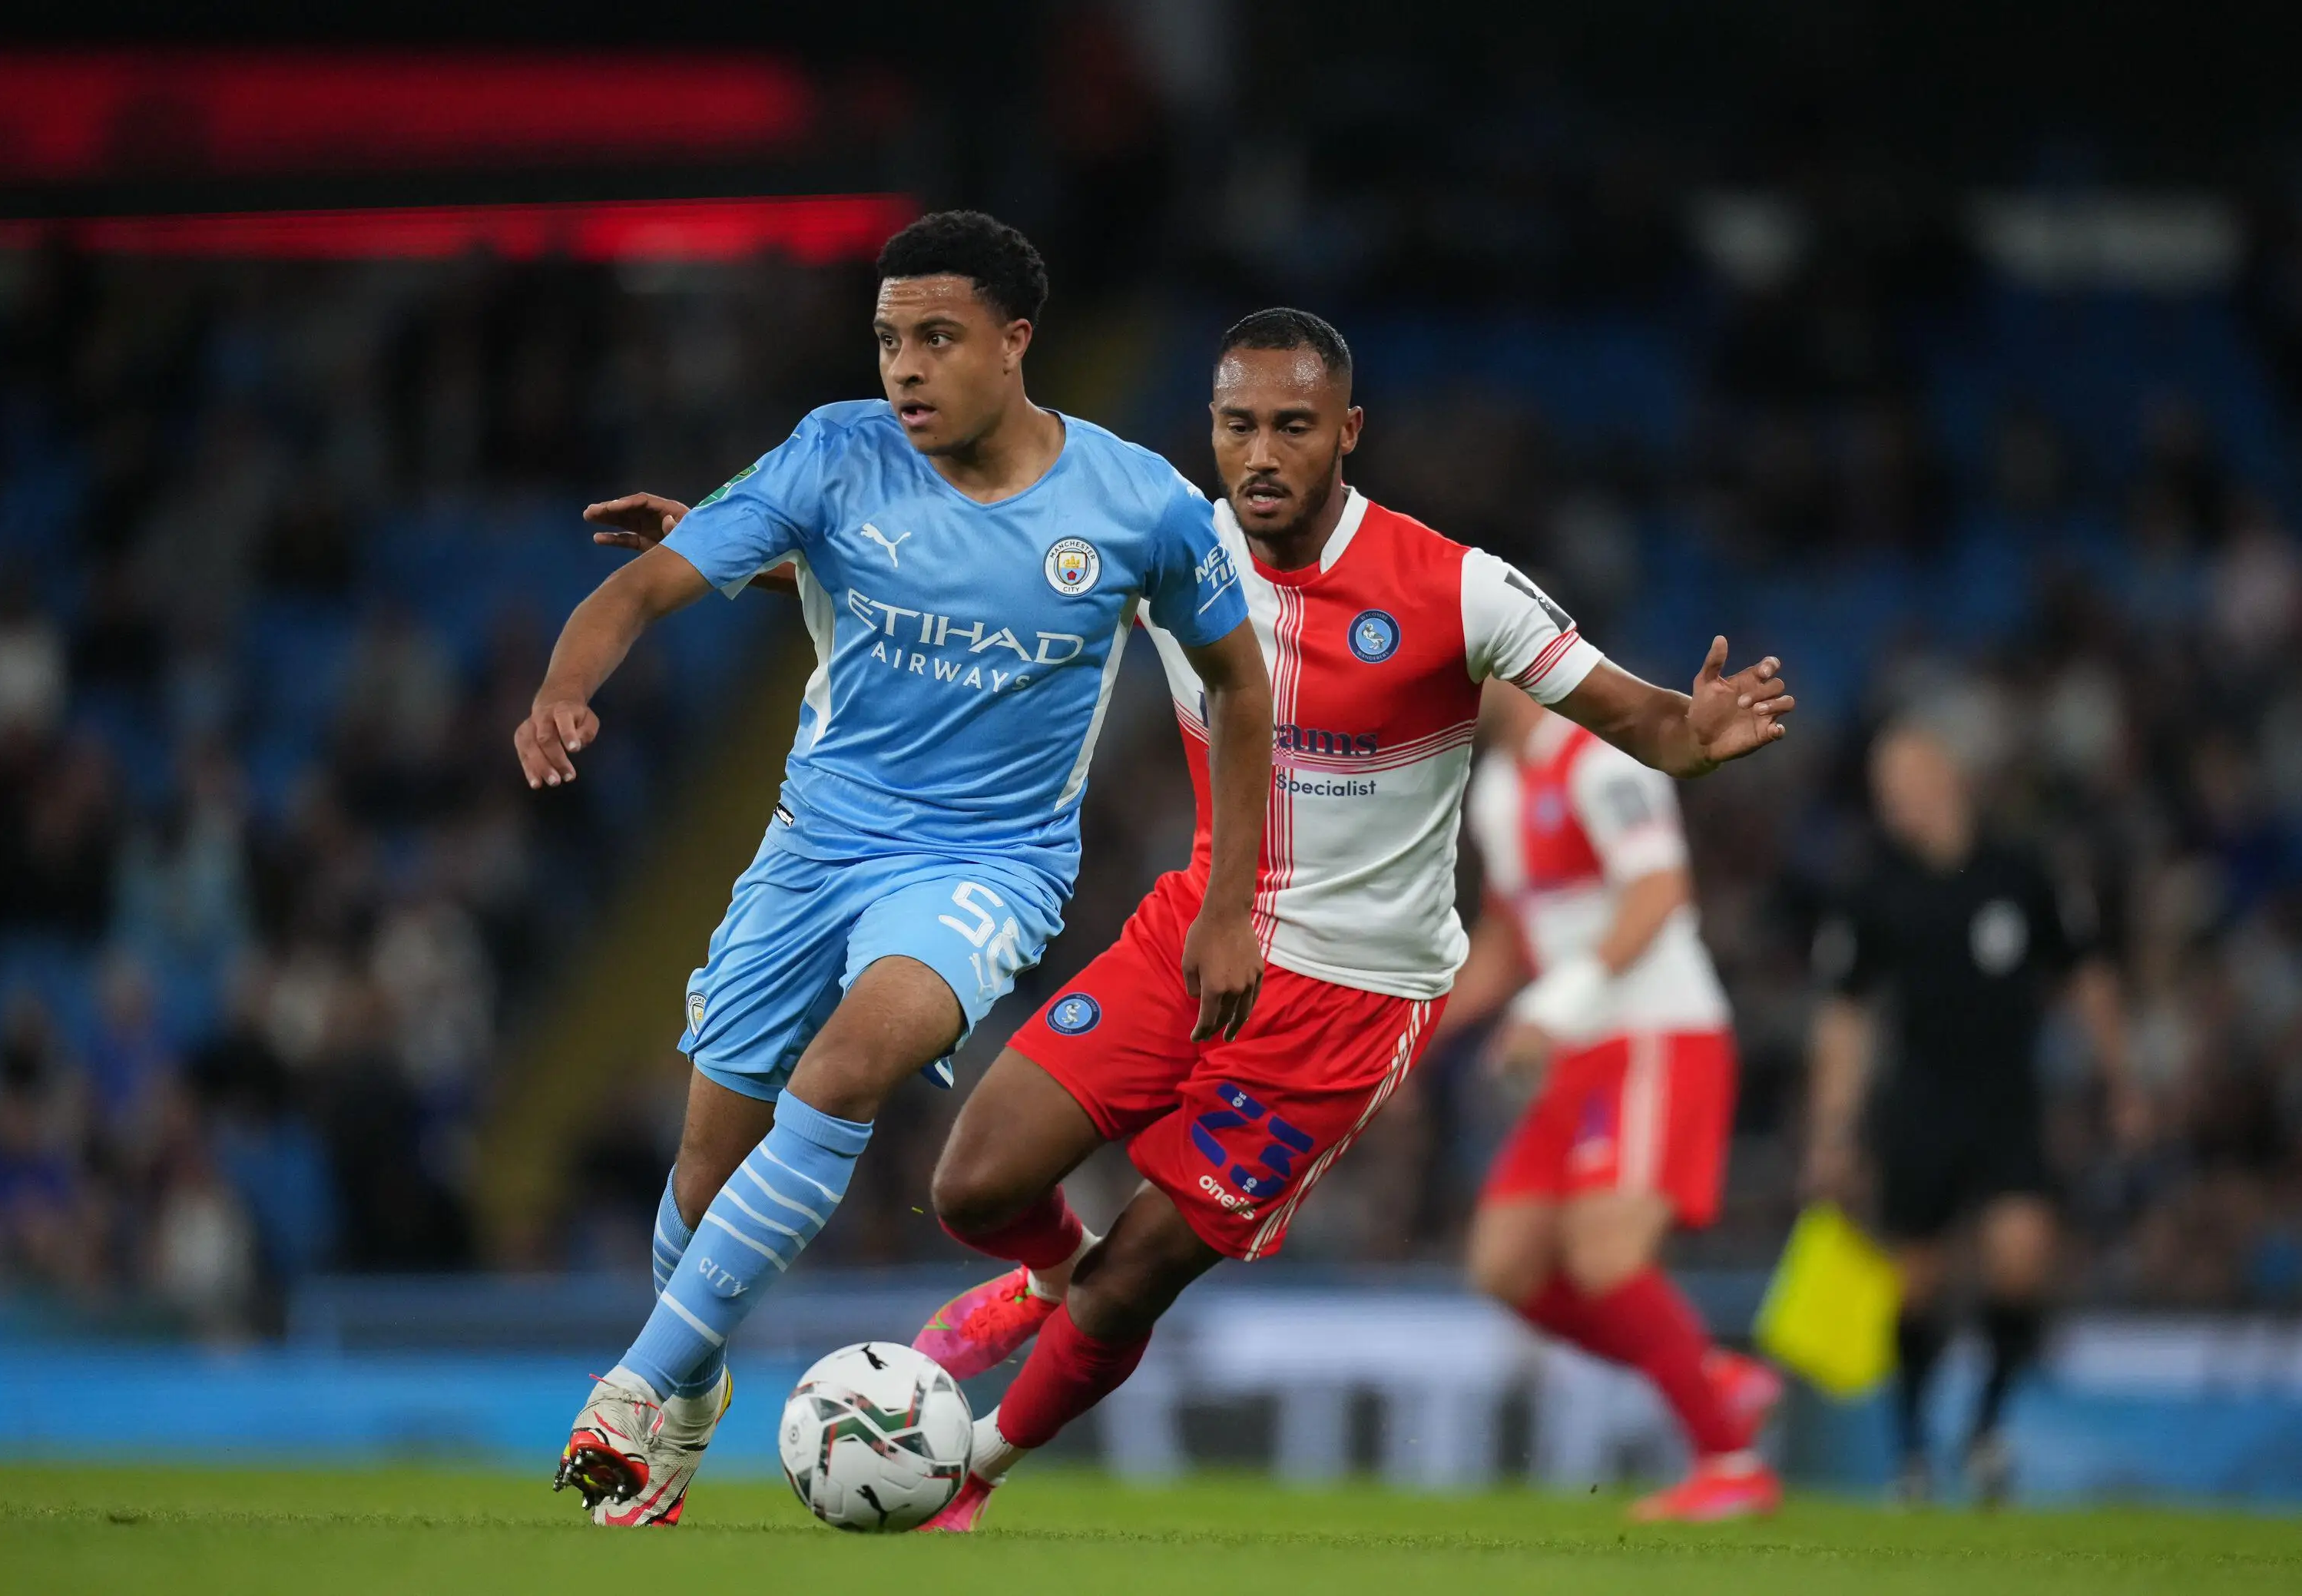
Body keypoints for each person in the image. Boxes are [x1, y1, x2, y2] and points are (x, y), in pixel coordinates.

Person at [905, 309, 1797, 1530]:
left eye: (1291, 425)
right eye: (1237, 426)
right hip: (1196, 930)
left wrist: (1703, 732)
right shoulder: (1175, 549)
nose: (1260, 453)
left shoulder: (1455, 586)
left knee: (1142, 1271)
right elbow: (978, 577)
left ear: (1348, 434)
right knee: (973, 1182)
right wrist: (775, 555)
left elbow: (1649, 724)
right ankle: (1041, 1274)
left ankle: (971, 1472)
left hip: (1348, 998)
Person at [522, 210, 1272, 1528]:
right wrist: (562, 693)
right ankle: (692, 1395)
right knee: (703, 1180)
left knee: (856, 1061)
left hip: (988, 862)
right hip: (813, 849)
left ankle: (636, 1386)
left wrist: (1228, 901)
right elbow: (639, 589)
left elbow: (1241, 686)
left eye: (936, 337)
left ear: (1015, 341)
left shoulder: (1137, 500)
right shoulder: (835, 455)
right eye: (887, 340)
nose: (905, 369)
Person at [1442, 681, 1781, 1521]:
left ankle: (1730, 1462)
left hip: (1656, 1032)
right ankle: (1705, 1376)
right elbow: (1506, 939)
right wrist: (1418, 1027)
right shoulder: (1498, 787)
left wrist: (1556, 1006)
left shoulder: (1601, 758)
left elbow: (1660, 890)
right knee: (1504, 1264)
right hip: (1576, 1051)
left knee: (1607, 1255)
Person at [1805, 720, 2139, 1505]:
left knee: (2022, 1255)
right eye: (1885, 791)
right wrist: (1832, 1127)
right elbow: (1845, 1018)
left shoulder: (2021, 870)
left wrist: (2120, 1077)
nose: (1895, 803)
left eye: (1906, 783)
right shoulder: (1871, 887)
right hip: (1918, 1103)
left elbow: (2086, 972)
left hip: (2008, 1097)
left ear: (1947, 776)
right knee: (1915, 1282)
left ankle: (1987, 1426)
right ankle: (1915, 1448)